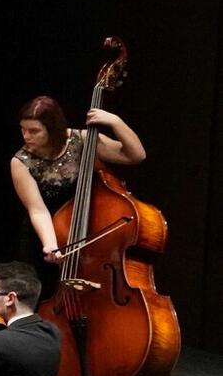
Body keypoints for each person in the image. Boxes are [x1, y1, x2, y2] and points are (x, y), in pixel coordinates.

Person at [10, 94, 146, 261]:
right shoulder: (21, 162)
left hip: (87, 231)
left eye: (34, 131)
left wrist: (115, 122)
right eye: (23, 129)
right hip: (47, 236)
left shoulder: (82, 140)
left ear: (52, 128)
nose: (26, 136)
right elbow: (38, 210)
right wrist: (51, 245)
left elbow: (135, 156)